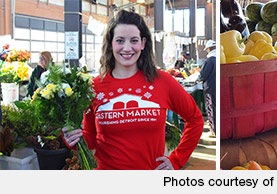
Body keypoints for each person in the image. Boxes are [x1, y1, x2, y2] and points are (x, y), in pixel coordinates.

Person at [62, 10, 204, 170]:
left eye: (134, 40)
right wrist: (73, 139)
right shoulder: (93, 87)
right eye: (120, 40)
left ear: (143, 43)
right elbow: (91, 138)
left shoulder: (162, 81)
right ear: (111, 43)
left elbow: (195, 119)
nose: (127, 48)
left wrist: (176, 160)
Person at [199, 40, 216, 136]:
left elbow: (203, 75)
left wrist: (198, 78)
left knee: (211, 109)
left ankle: (214, 131)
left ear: (209, 49)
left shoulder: (210, 60)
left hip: (210, 88)